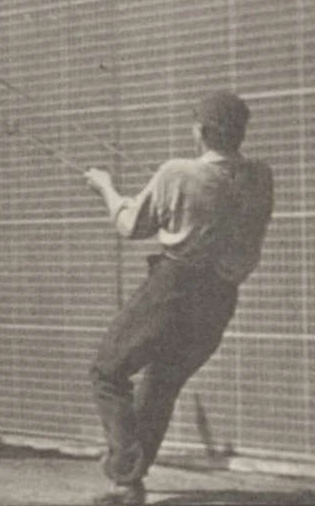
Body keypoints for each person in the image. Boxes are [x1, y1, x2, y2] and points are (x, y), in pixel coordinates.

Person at [83, 91, 274, 506]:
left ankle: (124, 473)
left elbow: (131, 225)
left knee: (107, 371)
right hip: (220, 298)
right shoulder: (261, 176)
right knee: (162, 381)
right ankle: (129, 479)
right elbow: (215, 200)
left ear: (200, 131)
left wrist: (106, 188)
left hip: (172, 289)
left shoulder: (177, 172)